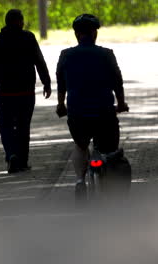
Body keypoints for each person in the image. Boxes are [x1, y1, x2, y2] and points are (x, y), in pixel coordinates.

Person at [55, 14, 129, 195]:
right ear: (95, 33)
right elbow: (117, 82)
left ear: (76, 34)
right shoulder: (106, 54)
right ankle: (110, 184)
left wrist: (60, 105)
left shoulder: (66, 55)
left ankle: (80, 182)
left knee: (81, 146)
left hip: (77, 115)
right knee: (110, 150)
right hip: (104, 113)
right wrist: (121, 103)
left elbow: (61, 83)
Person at [0, 9, 51, 174]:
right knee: (23, 127)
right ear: (20, 21)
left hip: (5, 93)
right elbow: (40, 62)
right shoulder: (28, 38)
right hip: (26, 93)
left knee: (5, 126)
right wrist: (46, 83)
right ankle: (23, 161)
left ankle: (11, 154)